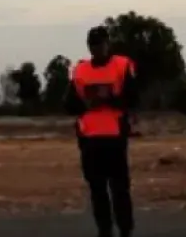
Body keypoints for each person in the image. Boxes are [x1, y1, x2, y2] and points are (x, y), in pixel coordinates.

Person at [67, 25, 138, 237]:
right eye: (94, 45)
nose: (98, 48)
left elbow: (133, 98)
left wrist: (110, 98)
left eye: (102, 43)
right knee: (97, 190)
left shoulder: (122, 65)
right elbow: (69, 104)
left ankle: (125, 229)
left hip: (114, 137)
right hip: (90, 139)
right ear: (89, 47)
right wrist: (87, 102)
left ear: (108, 44)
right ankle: (104, 230)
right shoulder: (80, 70)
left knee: (119, 189)